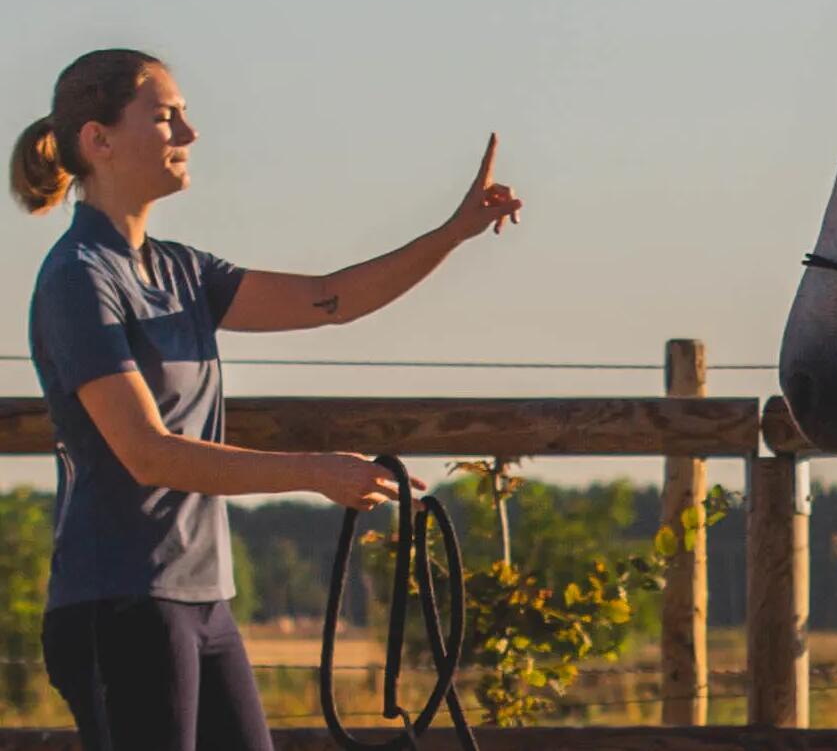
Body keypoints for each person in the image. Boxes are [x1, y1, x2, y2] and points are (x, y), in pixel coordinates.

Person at [9, 48, 523, 750]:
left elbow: (327, 300)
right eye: (165, 118)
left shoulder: (181, 270)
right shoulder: (77, 278)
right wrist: (315, 471)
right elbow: (148, 453)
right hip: (121, 603)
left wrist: (452, 233)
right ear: (98, 140)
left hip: (201, 601)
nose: (190, 134)